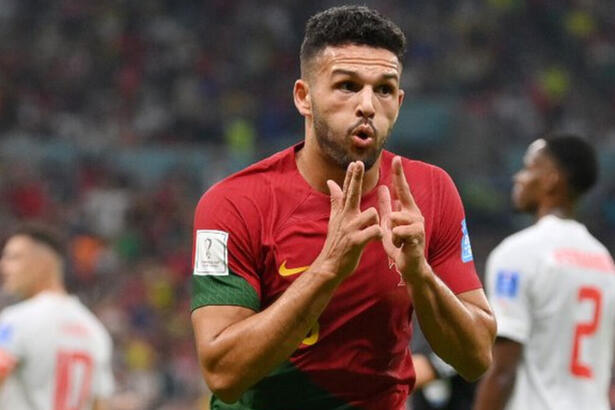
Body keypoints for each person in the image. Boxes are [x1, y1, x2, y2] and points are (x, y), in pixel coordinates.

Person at [190, 5, 496, 409]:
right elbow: (223, 374)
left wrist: (420, 275)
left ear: (399, 102)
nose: (368, 104)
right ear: (304, 97)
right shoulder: (235, 203)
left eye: (384, 89)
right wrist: (328, 267)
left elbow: (476, 358)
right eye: (347, 85)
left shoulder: (430, 191)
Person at [473, 135, 615, 410]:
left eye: (528, 168)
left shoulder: (517, 254)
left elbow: (503, 372)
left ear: (550, 179)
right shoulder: (604, 262)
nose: (519, 177)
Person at [0, 224, 115, 410]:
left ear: (44, 263)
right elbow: (100, 404)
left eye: (14, 258)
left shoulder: (17, 320)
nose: (3, 266)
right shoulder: (95, 331)